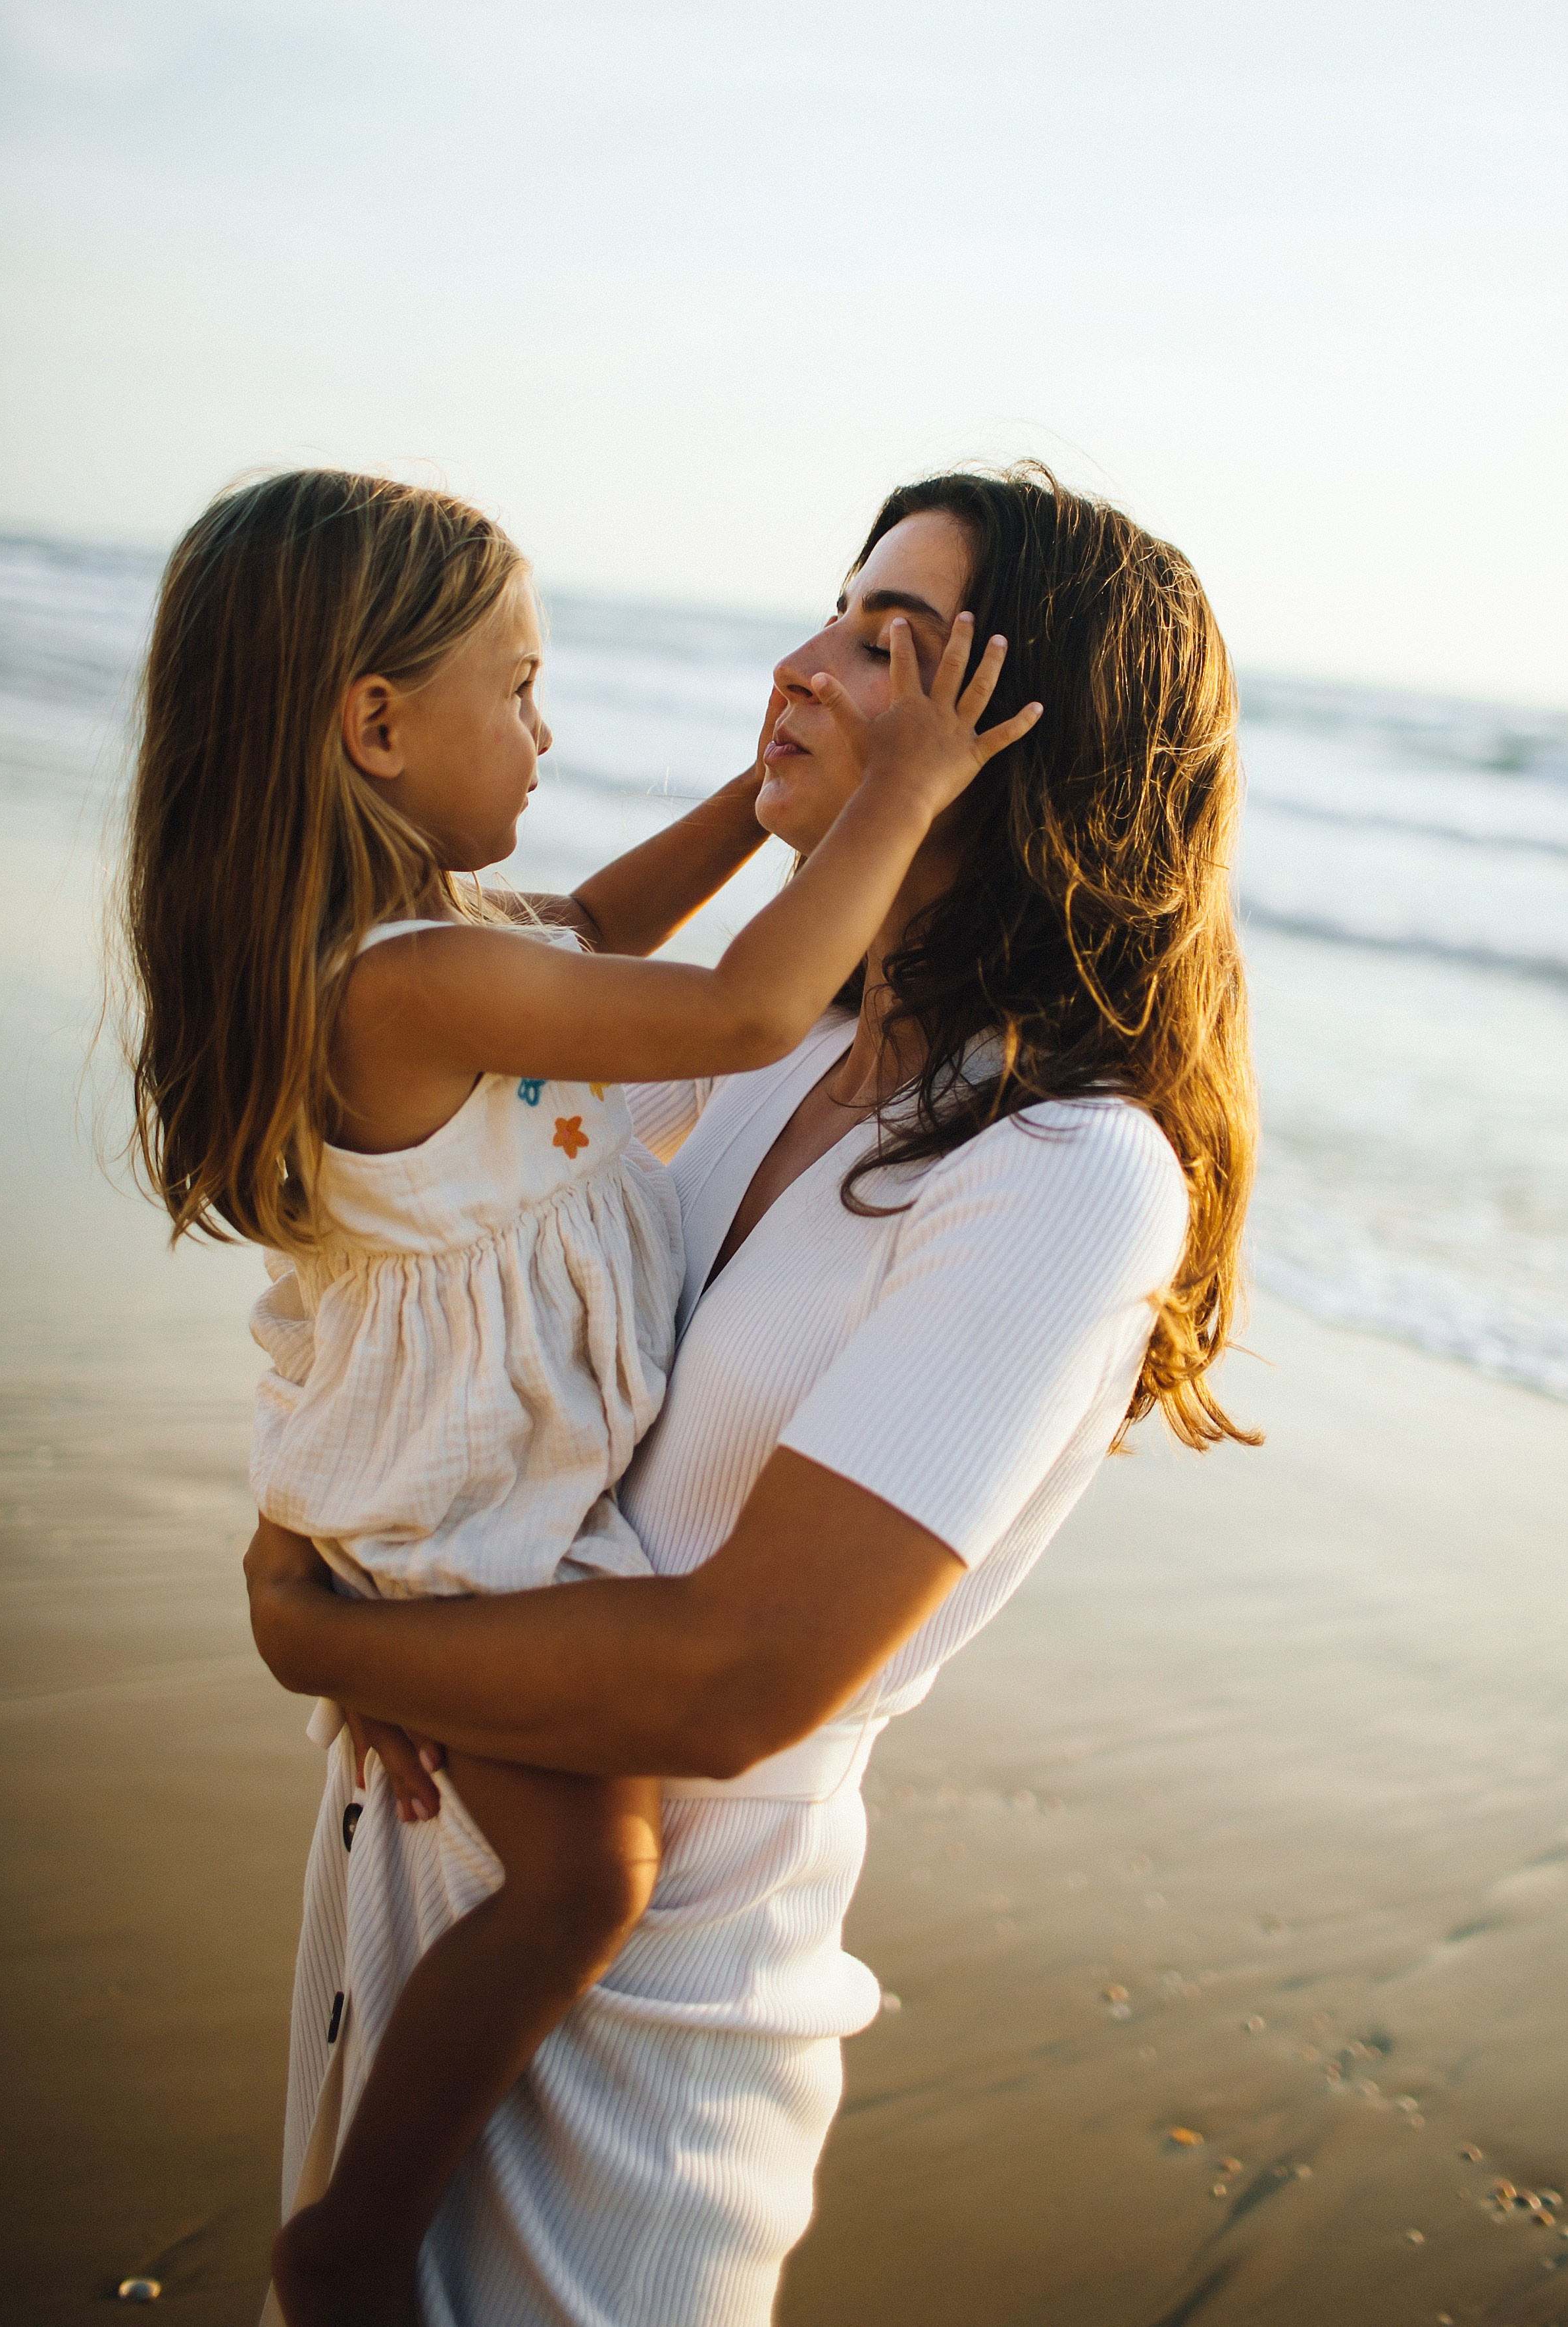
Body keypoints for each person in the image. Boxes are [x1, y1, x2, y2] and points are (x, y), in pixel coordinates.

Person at [245, 463, 1259, 2327]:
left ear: (1011, 741)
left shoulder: (1058, 1172)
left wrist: (320, 1639)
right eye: (827, 613)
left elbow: (732, 1678)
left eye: (886, 645)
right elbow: (424, 1285)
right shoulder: (744, 1041)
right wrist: (308, 1522)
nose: (797, 667)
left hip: (639, 2046)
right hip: (398, 1912)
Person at [117, 468, 1039, 2327]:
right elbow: (742, 1012)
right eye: (517, 690)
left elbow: (612, 920)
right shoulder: (416, 983)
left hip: (443, 1482)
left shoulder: (429, 944)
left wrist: (772, 797)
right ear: (375, 725)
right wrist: (894, 789)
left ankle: (357, 2211)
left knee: (567, 1860)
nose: (549, 731)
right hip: (469, 1519)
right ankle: (360, 2230)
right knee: (588, 1875)